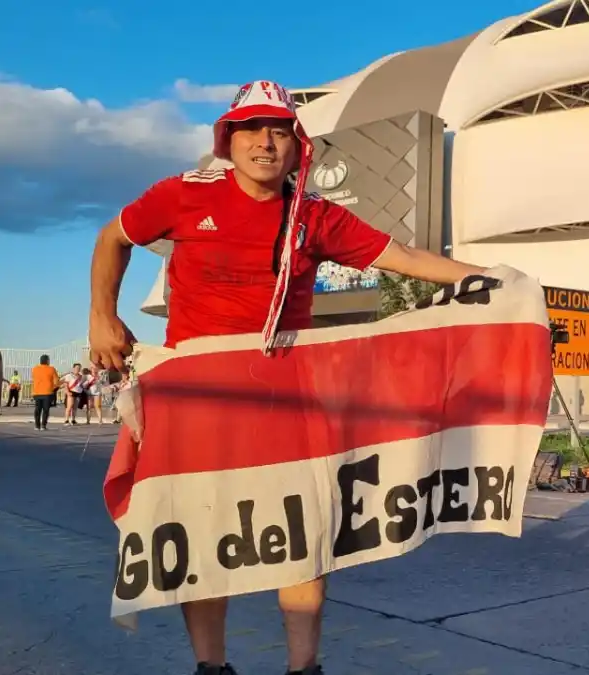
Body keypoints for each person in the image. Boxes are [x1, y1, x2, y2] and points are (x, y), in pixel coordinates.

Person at [87, 80, 487, 675]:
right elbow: (113, 236)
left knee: (303, 535)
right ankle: (211, 667)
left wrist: (491, 277)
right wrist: (102, 315)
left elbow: (402, 257)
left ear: (297, 145)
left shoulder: (314, 216)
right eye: (251, 129)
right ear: (229, 139)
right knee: (202, 538)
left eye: (278, 130)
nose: (265, 142)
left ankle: (304, 668)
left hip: (287, 395)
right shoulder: (181, 196)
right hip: (199, 397)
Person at [30, 355, 59, 431]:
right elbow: (56, 382)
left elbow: (33, 378)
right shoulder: (52, 369)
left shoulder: (35, 369)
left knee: (37, 409)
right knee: (46, 409)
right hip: (47, 392)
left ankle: (37, 425)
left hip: (37, 392)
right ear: (47, 361)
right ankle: (43, 425)